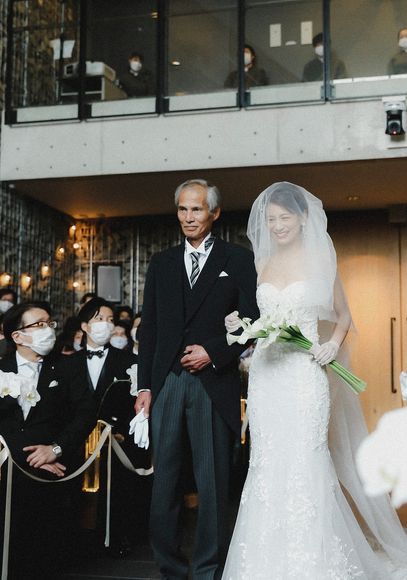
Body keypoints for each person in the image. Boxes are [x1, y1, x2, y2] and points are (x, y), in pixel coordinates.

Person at [222, 182, 407, 579]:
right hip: (267, 375)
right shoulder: (262, 264)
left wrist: (331, 344)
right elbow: (257, 319)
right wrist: (241, 326)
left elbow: (344, 317)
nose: (277, 226)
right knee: (266, 462)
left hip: (304, 373)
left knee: (306, 459)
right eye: (271, 219)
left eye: (284, 218)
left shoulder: (320, 262)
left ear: (302, 218)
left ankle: (314, 562)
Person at [135, 179, 259, 579]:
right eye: (183, 209)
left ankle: (209, 570)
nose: (189, 217)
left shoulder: (237, 259)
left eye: (197, 209)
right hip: (167, 382)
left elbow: (254, 319)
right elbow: (149, 329)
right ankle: (170, 568)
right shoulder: (161, 262)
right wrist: (144, 386)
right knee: (164, 484)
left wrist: (214, 351)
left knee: (213, 484)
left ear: (214, 213)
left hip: (213, 383)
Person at [0, 302, 95, 579]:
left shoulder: (68, 367)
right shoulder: (1, 368)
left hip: (52, 468)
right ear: (17, 336)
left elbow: (86, 413)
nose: (48, 329)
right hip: (7, 464)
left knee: (43, 544)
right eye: (39, 324)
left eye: (49, 323)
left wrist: (55, 449)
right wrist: (26, 457)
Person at [78, 297, 141, 556]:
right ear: (84, 326)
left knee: (117, 490)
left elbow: (134, 402)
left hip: (115, 437)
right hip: (78, 440)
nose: (106, 324)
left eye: (110, 320)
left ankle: (116, 537)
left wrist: (120, 430)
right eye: (99, 319)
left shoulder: (127, 361)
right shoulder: (67, 362)